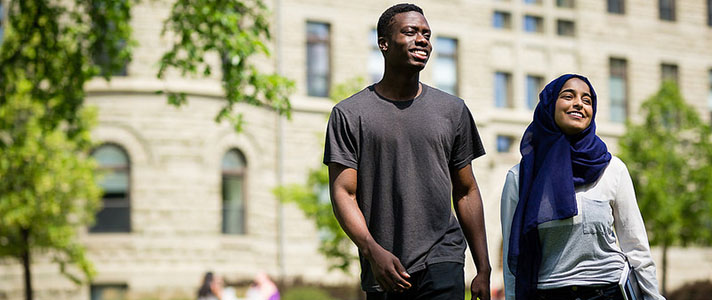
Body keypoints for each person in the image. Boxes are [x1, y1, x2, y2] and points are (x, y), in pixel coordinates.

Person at [324, 3, 491, 300]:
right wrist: (371, 250)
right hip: (385, 268)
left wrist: (483, 267)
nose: (423, 39)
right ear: (384, 44)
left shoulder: (452, 110)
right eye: (411, 32)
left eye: (426, 33)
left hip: (444, 256)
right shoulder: (349, 114)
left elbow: (466, 190)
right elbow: (343, 194)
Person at [500, 74, 665, 300]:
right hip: (549, 293)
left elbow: (635, 246)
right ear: (549, 105)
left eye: (587, 100)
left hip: (608, 291)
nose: (579, 103)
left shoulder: (612, 169)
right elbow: (513, 257)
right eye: (568, 96)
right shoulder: (520, 177)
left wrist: (653, 296)